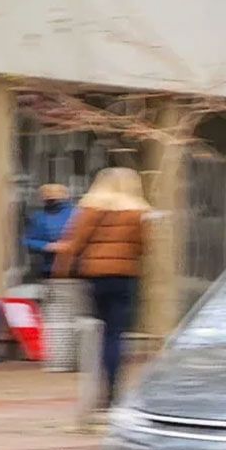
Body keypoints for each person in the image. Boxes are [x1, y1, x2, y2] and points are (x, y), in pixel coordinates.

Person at [54, 168, 150, 407]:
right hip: (125, 277)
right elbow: (143, 246)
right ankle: (114, 390)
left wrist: (62, 271)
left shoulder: (90, 208)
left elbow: (74, 242)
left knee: (97, 332)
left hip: (96, 277)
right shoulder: (137, 211)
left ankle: (96, 386)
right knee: (116, 334)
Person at [22, 183, 77, 279]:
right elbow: (28, 240)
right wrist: (47, 246)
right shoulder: (38, 217)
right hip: (48, 268)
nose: (50, 196)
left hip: (74, 266)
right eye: (46, 194)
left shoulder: (77, 214)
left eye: (55, 194)